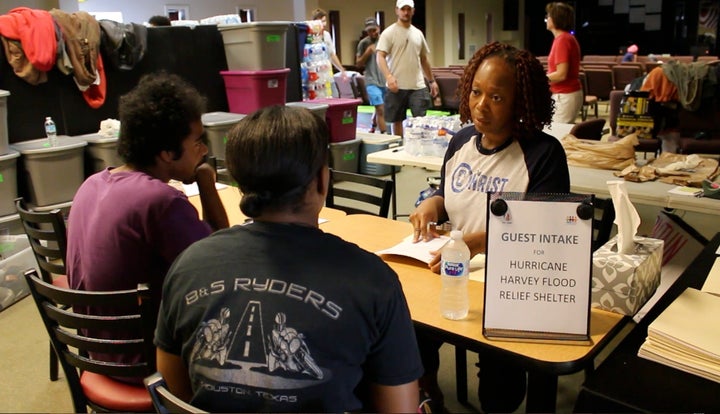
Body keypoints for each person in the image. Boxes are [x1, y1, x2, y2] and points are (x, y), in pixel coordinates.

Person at [154, 105, 423, 413]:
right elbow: (399, 408)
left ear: (241, 186)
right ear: (323, 182)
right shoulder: (375, 282)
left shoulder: (188, 264)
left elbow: (172, 393)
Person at [410, 42, 570, 413]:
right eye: (476, 92)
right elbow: (448, 190)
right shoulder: (461, 141)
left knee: (499, 383)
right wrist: (432, 201)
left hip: (512, 285)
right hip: (450, 273)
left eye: (496, 97)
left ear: (520, 102)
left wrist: (478, 243)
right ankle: (429, 395)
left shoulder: (543, 154)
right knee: (407, 331)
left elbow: (549, 237)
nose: (481, 105)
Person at [66, 72, 229, 380]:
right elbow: (220, 265)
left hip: (96, 350)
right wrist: (206, 179)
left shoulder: (90, 184)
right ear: (167, 152)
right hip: (144, 359)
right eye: (197, 141)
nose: (204, 150)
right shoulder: (160, 201)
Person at [376, 0, 439, 137]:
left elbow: (423, 60)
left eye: (408, 9)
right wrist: (388, 77)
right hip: (396, 86)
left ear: (413, 11)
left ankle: (419, 150)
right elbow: (380, 56)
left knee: (420, 121)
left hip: (417, 86)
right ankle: (398, 146)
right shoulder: (389, 33)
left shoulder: (418, 34)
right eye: (403, 9)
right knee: (396, 120)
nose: (405, 12)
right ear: (397, 10)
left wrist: (432, 81)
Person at [545, 1, 582, 124]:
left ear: (556, 19)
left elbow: (561, 74)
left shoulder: (563, 40)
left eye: (549, 16)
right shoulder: (563, 39)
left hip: (565, 95)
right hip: (564, 95)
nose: (547, 18)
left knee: (558, 135)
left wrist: (538, 78)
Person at [356, 16, 388, 134]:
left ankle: (373, 124)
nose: (372, 33)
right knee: (380, 108)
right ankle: (384, 135)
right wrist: (368, 52)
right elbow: (358, 63)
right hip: (371, 80)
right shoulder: (363, 44)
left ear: (378, 28)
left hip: (385, 80)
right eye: (370, 31)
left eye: (374, 30)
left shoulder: (385, 41)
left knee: (381, 108)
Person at [310, 8, 347, 85]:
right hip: (315, 75)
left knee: (334, 94)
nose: (323, 24)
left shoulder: (327, 35)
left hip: (327, 73)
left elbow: (332, 54)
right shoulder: (309, 37)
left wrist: (342, 70)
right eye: (320, 21)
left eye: (324, 21)